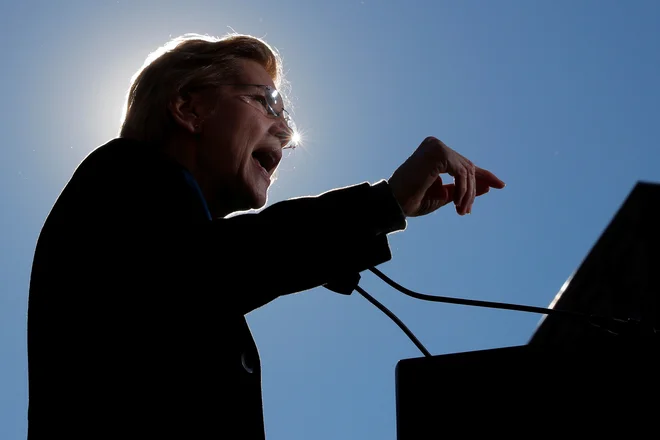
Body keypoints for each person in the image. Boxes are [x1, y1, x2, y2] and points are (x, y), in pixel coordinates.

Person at [27, 33, 505, 439]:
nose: (287, 131)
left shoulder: (183, 249)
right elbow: (203, 268)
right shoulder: (122, 173)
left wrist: (382, 212)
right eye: (267, 102)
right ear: (188, 108)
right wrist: (384, 204)